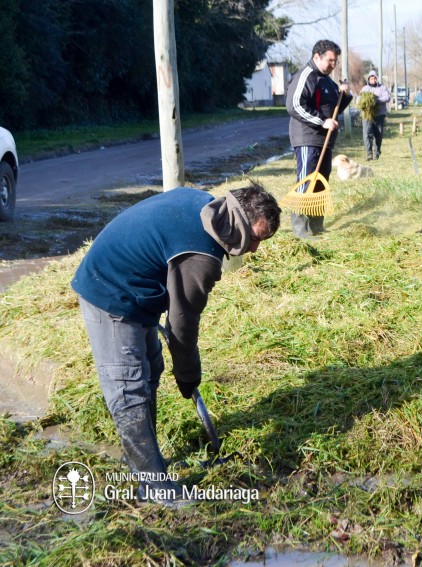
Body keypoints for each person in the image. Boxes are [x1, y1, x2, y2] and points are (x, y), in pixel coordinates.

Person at [71, 183, 281, 504]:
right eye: (255, 239)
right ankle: (154, 487)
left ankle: (140, 462)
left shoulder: (206, 204)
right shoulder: (201, 257)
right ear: (239, 223)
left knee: (150, 369)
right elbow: (182, 325)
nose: (254, 249)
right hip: (111, 288)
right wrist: (188, 375)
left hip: (137, 284)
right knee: (128, 387)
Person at [286, 39, 353, 239]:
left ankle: (316, 226)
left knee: (321, 182)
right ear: (317, 56)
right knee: (307, 180)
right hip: (308, 138)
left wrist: (345, 96)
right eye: (330, 60)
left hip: (325, 140)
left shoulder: (327, 80)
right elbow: (295, 106)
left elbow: (333, 111)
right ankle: (300, 229)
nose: (333, 65)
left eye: (335, 61)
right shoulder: (306, 76)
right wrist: (321, 121)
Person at [358, 70, 391, 160]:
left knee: (378, 134)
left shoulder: (382, 88)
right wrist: (363, 103)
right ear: (368, 79)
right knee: (367, 134)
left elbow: (387, 97)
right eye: (371, 78)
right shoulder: (365, 89)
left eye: (374, 78)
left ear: (376, 79)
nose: (373, 80)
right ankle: (369, 154)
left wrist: (377, 100)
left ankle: (377, 152)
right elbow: (359, 99)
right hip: (367, 115)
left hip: (379, 115)